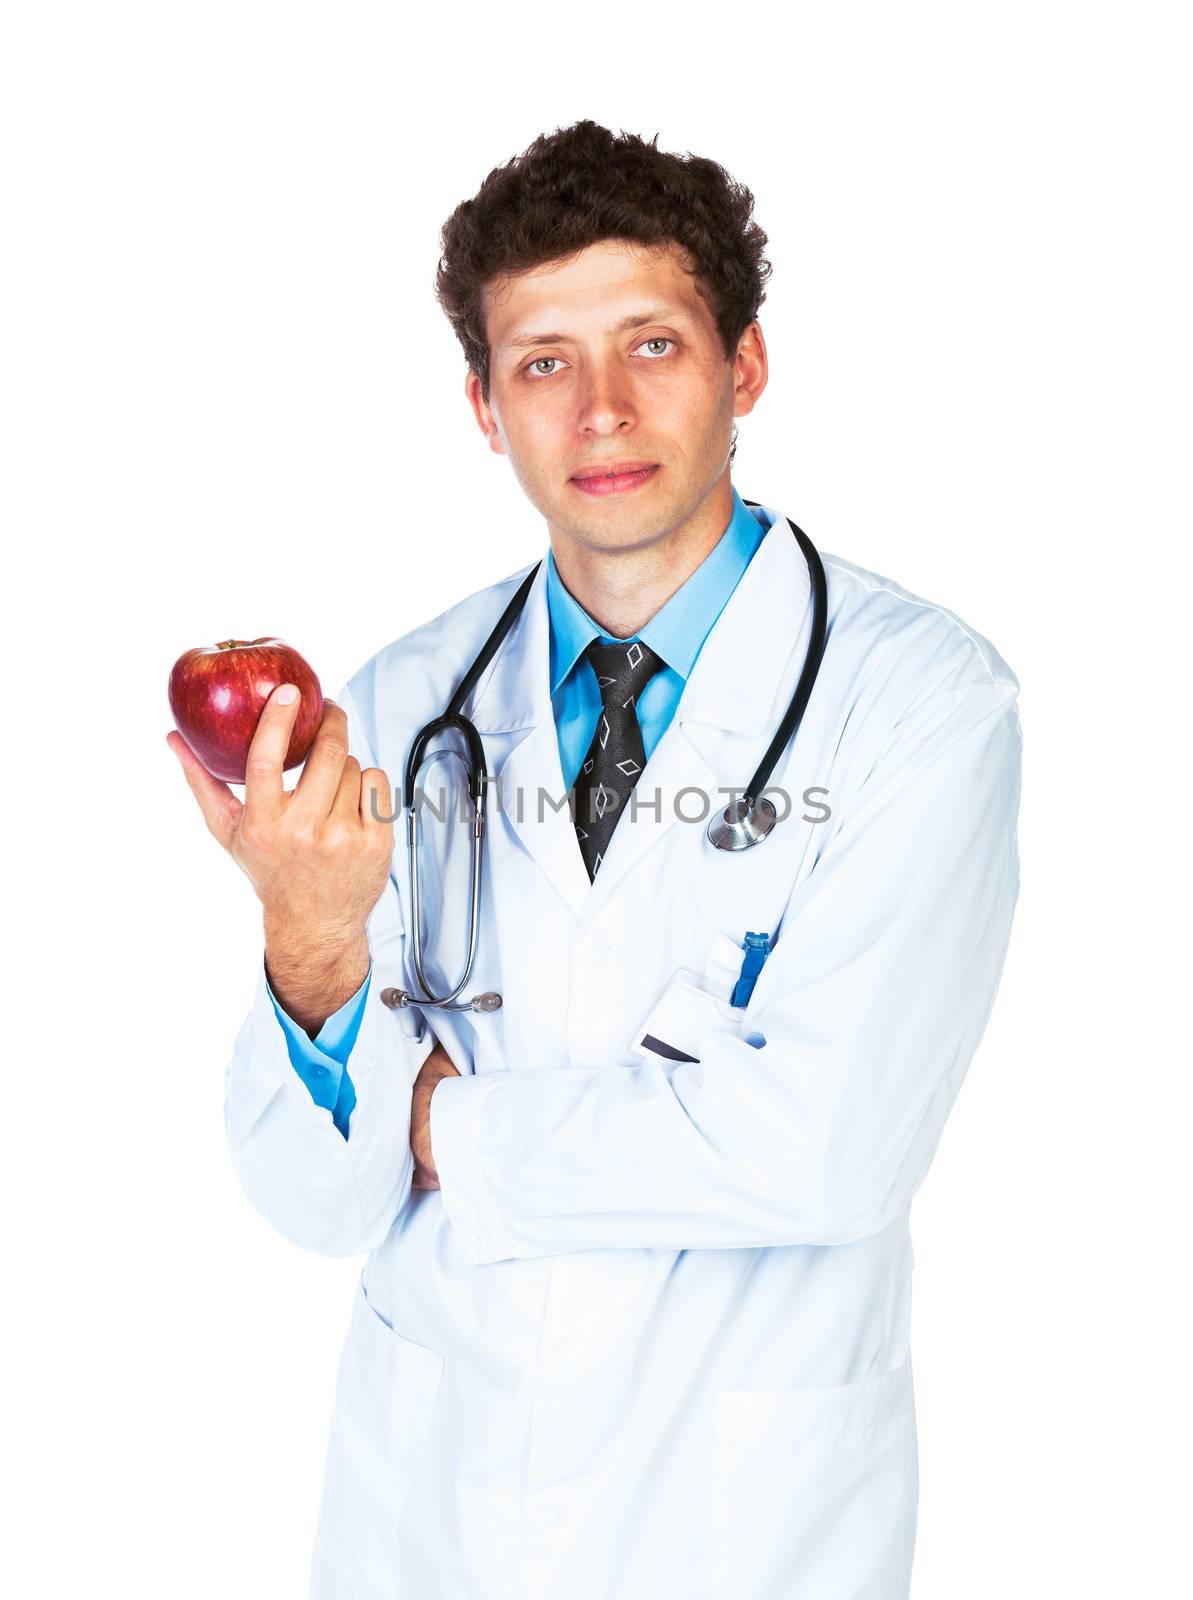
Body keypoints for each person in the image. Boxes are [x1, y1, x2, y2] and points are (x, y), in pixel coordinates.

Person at [167, 119, 1022, 1600]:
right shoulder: (406, 700)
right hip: (429, 1516)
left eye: (652, 346)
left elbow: (819, 1153)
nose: (603, 412)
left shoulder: (921, 702)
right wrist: (309, 949)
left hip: (746, 1529)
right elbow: (315, 1205)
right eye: (544, 363)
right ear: (485, 409)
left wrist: (444, 1129)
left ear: (744, 367)